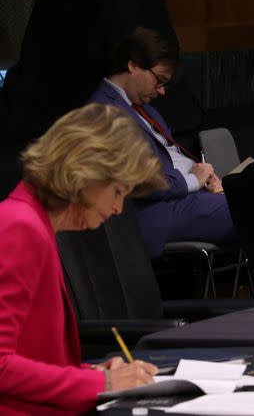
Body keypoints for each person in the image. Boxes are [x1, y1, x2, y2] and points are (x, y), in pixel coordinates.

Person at [0, 103, 164, 415]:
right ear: (87, 172)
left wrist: (93, 374)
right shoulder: (19, 226)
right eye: (118, 192)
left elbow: (33, 356)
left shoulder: (32, 223)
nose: (118, 209)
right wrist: (102, 384)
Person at [88, 27, 237, 257]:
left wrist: (206, 177)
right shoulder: (102, 112)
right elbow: (140, 183)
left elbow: (172, 155)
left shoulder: (144, 110)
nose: (162, 91)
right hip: (157, 212)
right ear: (133, 65)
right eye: (159, 81)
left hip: (184, 199)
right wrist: (193, 180)